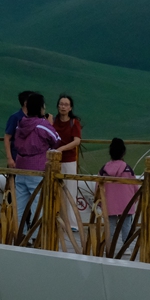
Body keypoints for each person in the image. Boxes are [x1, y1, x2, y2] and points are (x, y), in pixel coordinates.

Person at [13, 92, 61, 227]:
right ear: (40, 107)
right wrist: (50, 123)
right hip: (37, 168)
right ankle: (35, 234)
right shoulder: (42, 125)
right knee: (38, 204)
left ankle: (20, 232)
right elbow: (56, 140)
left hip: (20, 167)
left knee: (20, 205)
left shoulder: (20, 123)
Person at [51, 94, 84, 230]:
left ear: (70, 108)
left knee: (69, 190)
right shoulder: (53, 121)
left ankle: (72, 223)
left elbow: (77, 141)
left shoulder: (74, 122)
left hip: (68, 160)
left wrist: (61, 149)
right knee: (53, 190)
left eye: (66, 105)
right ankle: (54, 220)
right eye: (61, 104)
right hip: (53, 160)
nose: (63, 107)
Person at [99, 137, 137, 251]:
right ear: (123, 152)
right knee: (126, 226)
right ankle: (126, 248)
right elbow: (135, 186)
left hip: (109, 202)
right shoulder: (128, 169)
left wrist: (100, 201)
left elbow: (98, 186)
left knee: (110, 226)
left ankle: (108, 247)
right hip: (126, 202)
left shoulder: (104, 169)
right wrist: (135, 199)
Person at [3, 91, 35, 192]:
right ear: (25, 103)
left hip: (32, 160)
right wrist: (9, 158)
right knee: (15, 188)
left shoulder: (35, 117)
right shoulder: (15, 117)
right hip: (16, 157)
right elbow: (7, 138)